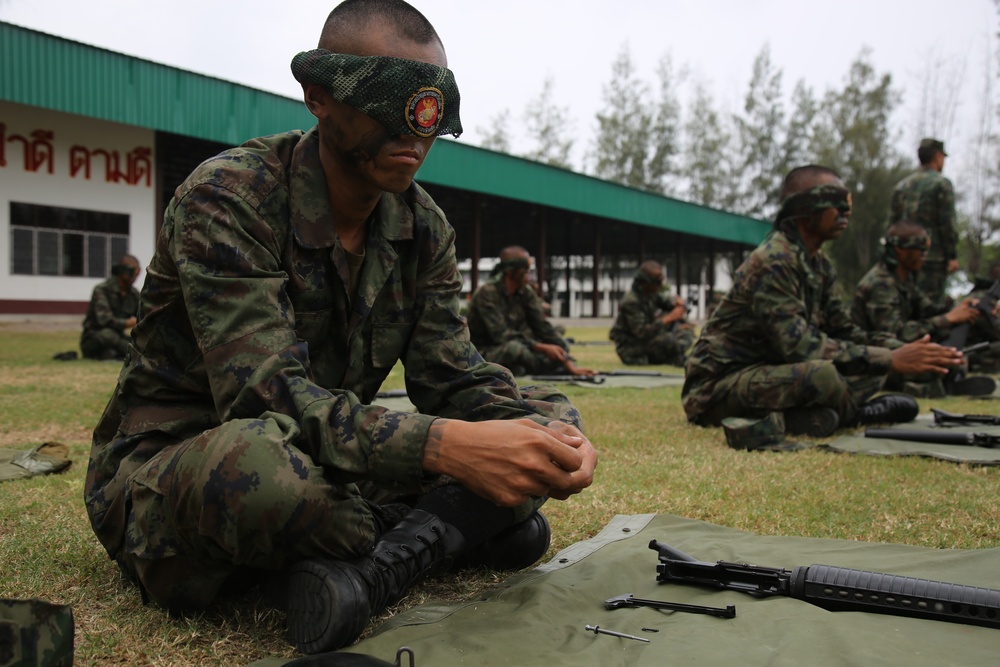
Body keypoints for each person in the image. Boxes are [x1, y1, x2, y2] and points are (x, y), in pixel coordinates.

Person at [83, 0, 597, 656]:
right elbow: (266, 399)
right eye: (392, 102)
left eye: (432, 109)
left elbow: (455, 374)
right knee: (265, 474)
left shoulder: (422, 228)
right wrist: (449, 452)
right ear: (319, 97)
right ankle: (446, 529)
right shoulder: (230, 199)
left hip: (330, 455)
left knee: (533, 427)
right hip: (191, 462)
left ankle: (368, 566)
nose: (416, 129)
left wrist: (554, 433)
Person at [682, 165, 963, 438]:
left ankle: (814, 416)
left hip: (772, 371)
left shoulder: (818, 264)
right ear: (804, 208)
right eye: (836, 203)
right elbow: (799, 346)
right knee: (823, 375)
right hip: (717, 387)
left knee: (874, 368)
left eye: (847, 205)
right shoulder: (773, 261)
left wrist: (903, 351)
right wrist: (889, 358)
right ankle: (854, 415)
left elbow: (844, 330)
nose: (846, 212)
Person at [851, 220, 994, 397]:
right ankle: (936, 386)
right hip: (878, 352)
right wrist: (947, 319)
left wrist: (965, 306)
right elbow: (895, 332)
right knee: (933, 365)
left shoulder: (905, 279)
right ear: (900, 250)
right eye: (920, 250)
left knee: (953, 353)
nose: (925, 255)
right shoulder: (880, 285)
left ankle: (949, 377)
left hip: (901, 347)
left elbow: (930, 311)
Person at [466, 245, 594, 376]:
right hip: (482, 352)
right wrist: (541, 348)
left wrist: (561, 349)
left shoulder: (525, 292)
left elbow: (542, 326)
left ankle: (523, 368)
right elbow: (502, 335)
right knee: (515, 350)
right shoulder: (487, 293)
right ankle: (545, 368)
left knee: (559, 344)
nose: (529, 273)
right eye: (525, 269)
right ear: (510, 270)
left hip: (517, 344)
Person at [888, 138, 959, 309]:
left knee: (905, 305)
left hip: (903, 258)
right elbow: (946, 224)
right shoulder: (941, 184)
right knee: (930, 308)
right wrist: (952, 255)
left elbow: (891, 225)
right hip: (932, 259)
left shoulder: (902, 186)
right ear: (937, 156)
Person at [609, 260, 694, 366]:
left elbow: (666, 303)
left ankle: (672, 358)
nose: (660, 286)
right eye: (657, 282)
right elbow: (641, 333)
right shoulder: (631, 302)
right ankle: (670, 358)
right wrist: (667, 319)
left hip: (647, 341)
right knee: (669, 340)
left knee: (686, 333)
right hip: (631, 347)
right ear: (645, 282)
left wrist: (677, 304)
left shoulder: (650, 294)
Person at [79, 254, 141, 361]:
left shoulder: (134, 294)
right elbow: (105, 321)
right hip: (95, 337)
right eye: (132, 271)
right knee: (108, 335)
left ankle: (123, 353)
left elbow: (143, 315)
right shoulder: (102, 290)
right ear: (121, 271)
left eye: (137, 272)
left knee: (138, 343)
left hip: (118, 337)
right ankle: (131, 353)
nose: (134, 276)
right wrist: (130, 322)